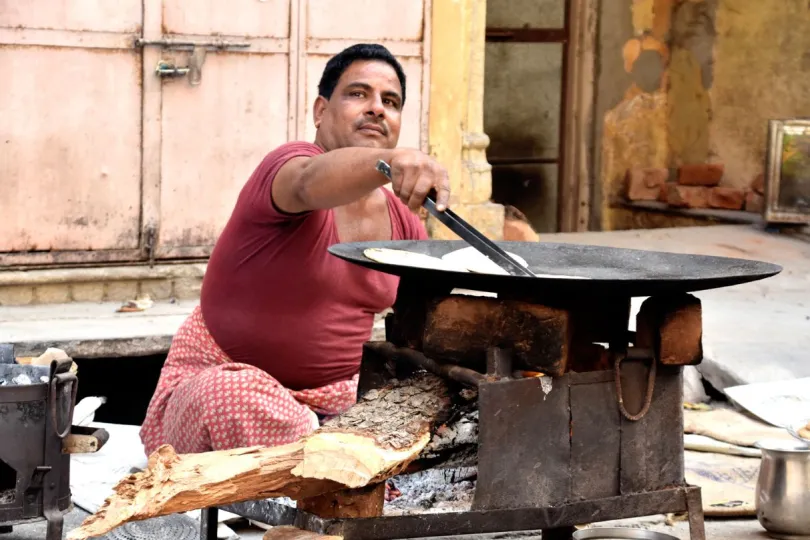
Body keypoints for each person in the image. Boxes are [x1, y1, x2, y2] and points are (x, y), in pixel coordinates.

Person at [139, 43, 451, 456]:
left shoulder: (404, 220)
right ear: (321, 111)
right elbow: (309, 182)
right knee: (229, 394)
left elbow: (424, 320)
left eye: (390, 101)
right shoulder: (290, 166)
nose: (377, 108)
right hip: (222, 388)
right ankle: (326, 457)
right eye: (358, 94)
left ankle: (327, 456)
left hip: (340, 405)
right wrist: (390, 161)